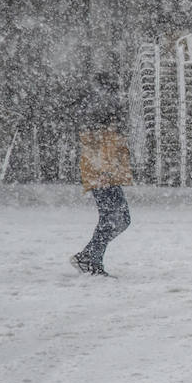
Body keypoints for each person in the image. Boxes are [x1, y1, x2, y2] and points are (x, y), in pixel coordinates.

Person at [71, 71, 133, 276]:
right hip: (103, 173)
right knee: (115, 218)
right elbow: (98, 143)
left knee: (118, 218)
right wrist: (106, 169)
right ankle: (91, 259)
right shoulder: (102, 110)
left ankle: (89, 256)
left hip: (106, 172)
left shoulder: (99, 108)